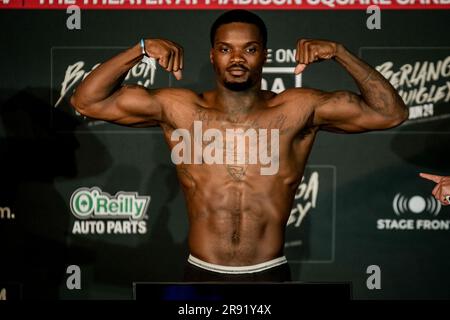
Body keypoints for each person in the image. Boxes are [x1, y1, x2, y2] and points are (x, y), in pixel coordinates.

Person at [70, 10, 408, 282]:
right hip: (201, 274)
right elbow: (87, 101)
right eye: (225, 48)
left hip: (269, 273)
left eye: (249, 48)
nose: (237, 58)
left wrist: (340, 53)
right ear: (212, 55)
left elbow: (390, 113)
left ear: (264, 54)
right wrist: (139, 48)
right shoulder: (180, 109)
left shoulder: (297, 109)